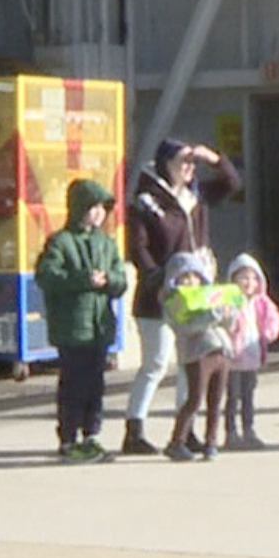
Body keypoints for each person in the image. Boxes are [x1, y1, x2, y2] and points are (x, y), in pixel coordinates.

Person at [120, 135, 239, 456]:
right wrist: (159, 281)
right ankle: (135, 430)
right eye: (182, 162)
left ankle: (184, 432)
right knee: (156, 363)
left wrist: (214, 158)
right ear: (165, 164)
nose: (188, 168)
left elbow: (231, 183)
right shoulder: (148, 202)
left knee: (193, 363)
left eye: (191, 163)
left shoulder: (194, 197)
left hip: (195, 298)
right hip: (159, 297)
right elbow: (138, 247)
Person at [33, 176, 128, 462]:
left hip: (99, 326)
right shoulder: (60, 242)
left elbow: (121, 280)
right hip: (72, 327)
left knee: (95, 385)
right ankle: (68, 437)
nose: (98, 213)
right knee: (73, 384)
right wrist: (82, 279)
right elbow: (47, 277)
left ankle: (92, 435)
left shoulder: (107, 244)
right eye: (92, 207)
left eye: (102, 208)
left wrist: (109, 280)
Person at [158, 250, 238, 462]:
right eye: (184, 277)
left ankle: (211, 442)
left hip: (220, 350)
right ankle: (177, 441)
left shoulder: (208, 295)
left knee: (216, 400)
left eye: (194, 276)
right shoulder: (174, 302)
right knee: (194, 399)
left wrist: (229, 315)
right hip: (197, 354)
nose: (190, 281)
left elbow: (226, 324)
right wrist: (213, 315)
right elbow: (187, 328)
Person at [219, 251, 279, 449]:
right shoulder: (229, 301)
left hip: (252, 356)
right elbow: (222, 322)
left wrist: (269, 333)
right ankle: (231, 432)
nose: (248, 282)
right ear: (233, 279)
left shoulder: (261, 302)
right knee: (232, 397)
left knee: (248, 397)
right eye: (243, 277)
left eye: (253, 277)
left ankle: (249, 430)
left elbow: (274, 318)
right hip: (233, 357)